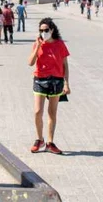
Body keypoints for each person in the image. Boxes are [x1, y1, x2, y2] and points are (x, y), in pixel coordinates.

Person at [27, 18, 70, 155]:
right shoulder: (37, 44)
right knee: (37, 111)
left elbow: (65, 65)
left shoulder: (60, 44)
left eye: (46, 30)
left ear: (52, 30)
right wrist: (38, 46)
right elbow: (30, 62)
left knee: (52, 113)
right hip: (40, 80)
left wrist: (66, 83)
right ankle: (39, 139)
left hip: (56, 81)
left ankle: (50, 143)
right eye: (41, 30)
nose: (43, 33)